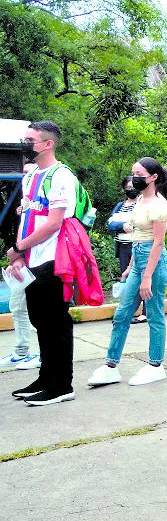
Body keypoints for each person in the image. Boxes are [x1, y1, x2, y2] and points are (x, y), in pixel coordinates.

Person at [8, 121, 81, 406]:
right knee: (40, 321)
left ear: (47, 144)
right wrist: (20, 255)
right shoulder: (31, 177)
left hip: (54, 260)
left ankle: (62, 384)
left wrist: (18, 248)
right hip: (32, 259)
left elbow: (53, 223)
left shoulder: (61, 176)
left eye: (30, 140)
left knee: (56, 323)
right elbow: (25, 217)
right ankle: (46, 377)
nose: (25, 145)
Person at [88, 158, 167, 388]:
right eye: (133, 172)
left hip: (154, 265)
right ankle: (111, 366)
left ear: (153, 177)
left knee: (155, 314)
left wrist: (146, 277)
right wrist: (131, 268)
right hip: (139, 261)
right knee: (122, 314)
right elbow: (138, 236)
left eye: (139, 173)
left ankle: (156, 365)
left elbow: (157, 243)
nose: (134, 177)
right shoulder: (139, 199)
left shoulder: (159, 205)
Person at [0, 161, 41, 370]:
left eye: (28, 172)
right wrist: (15, 259)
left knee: (41, 310)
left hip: (38, 262)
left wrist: (20, 257)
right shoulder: (18, 200)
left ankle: (44, 354)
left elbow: (41, 232)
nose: (23, 176)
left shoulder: (41, 202)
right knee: (18, 307)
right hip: (21, 261)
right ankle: (21, 351)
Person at [106, 176, 145, 325]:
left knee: (143, 277)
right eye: (128, 187)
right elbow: (110, 223)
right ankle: (127, 311)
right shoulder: (120, 205)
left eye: (133, 186)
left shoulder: (142, 203)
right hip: (123, 246)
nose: (131, 189)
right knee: (127, 279)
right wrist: (122, 225)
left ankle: (144, 313)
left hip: (138, 245)